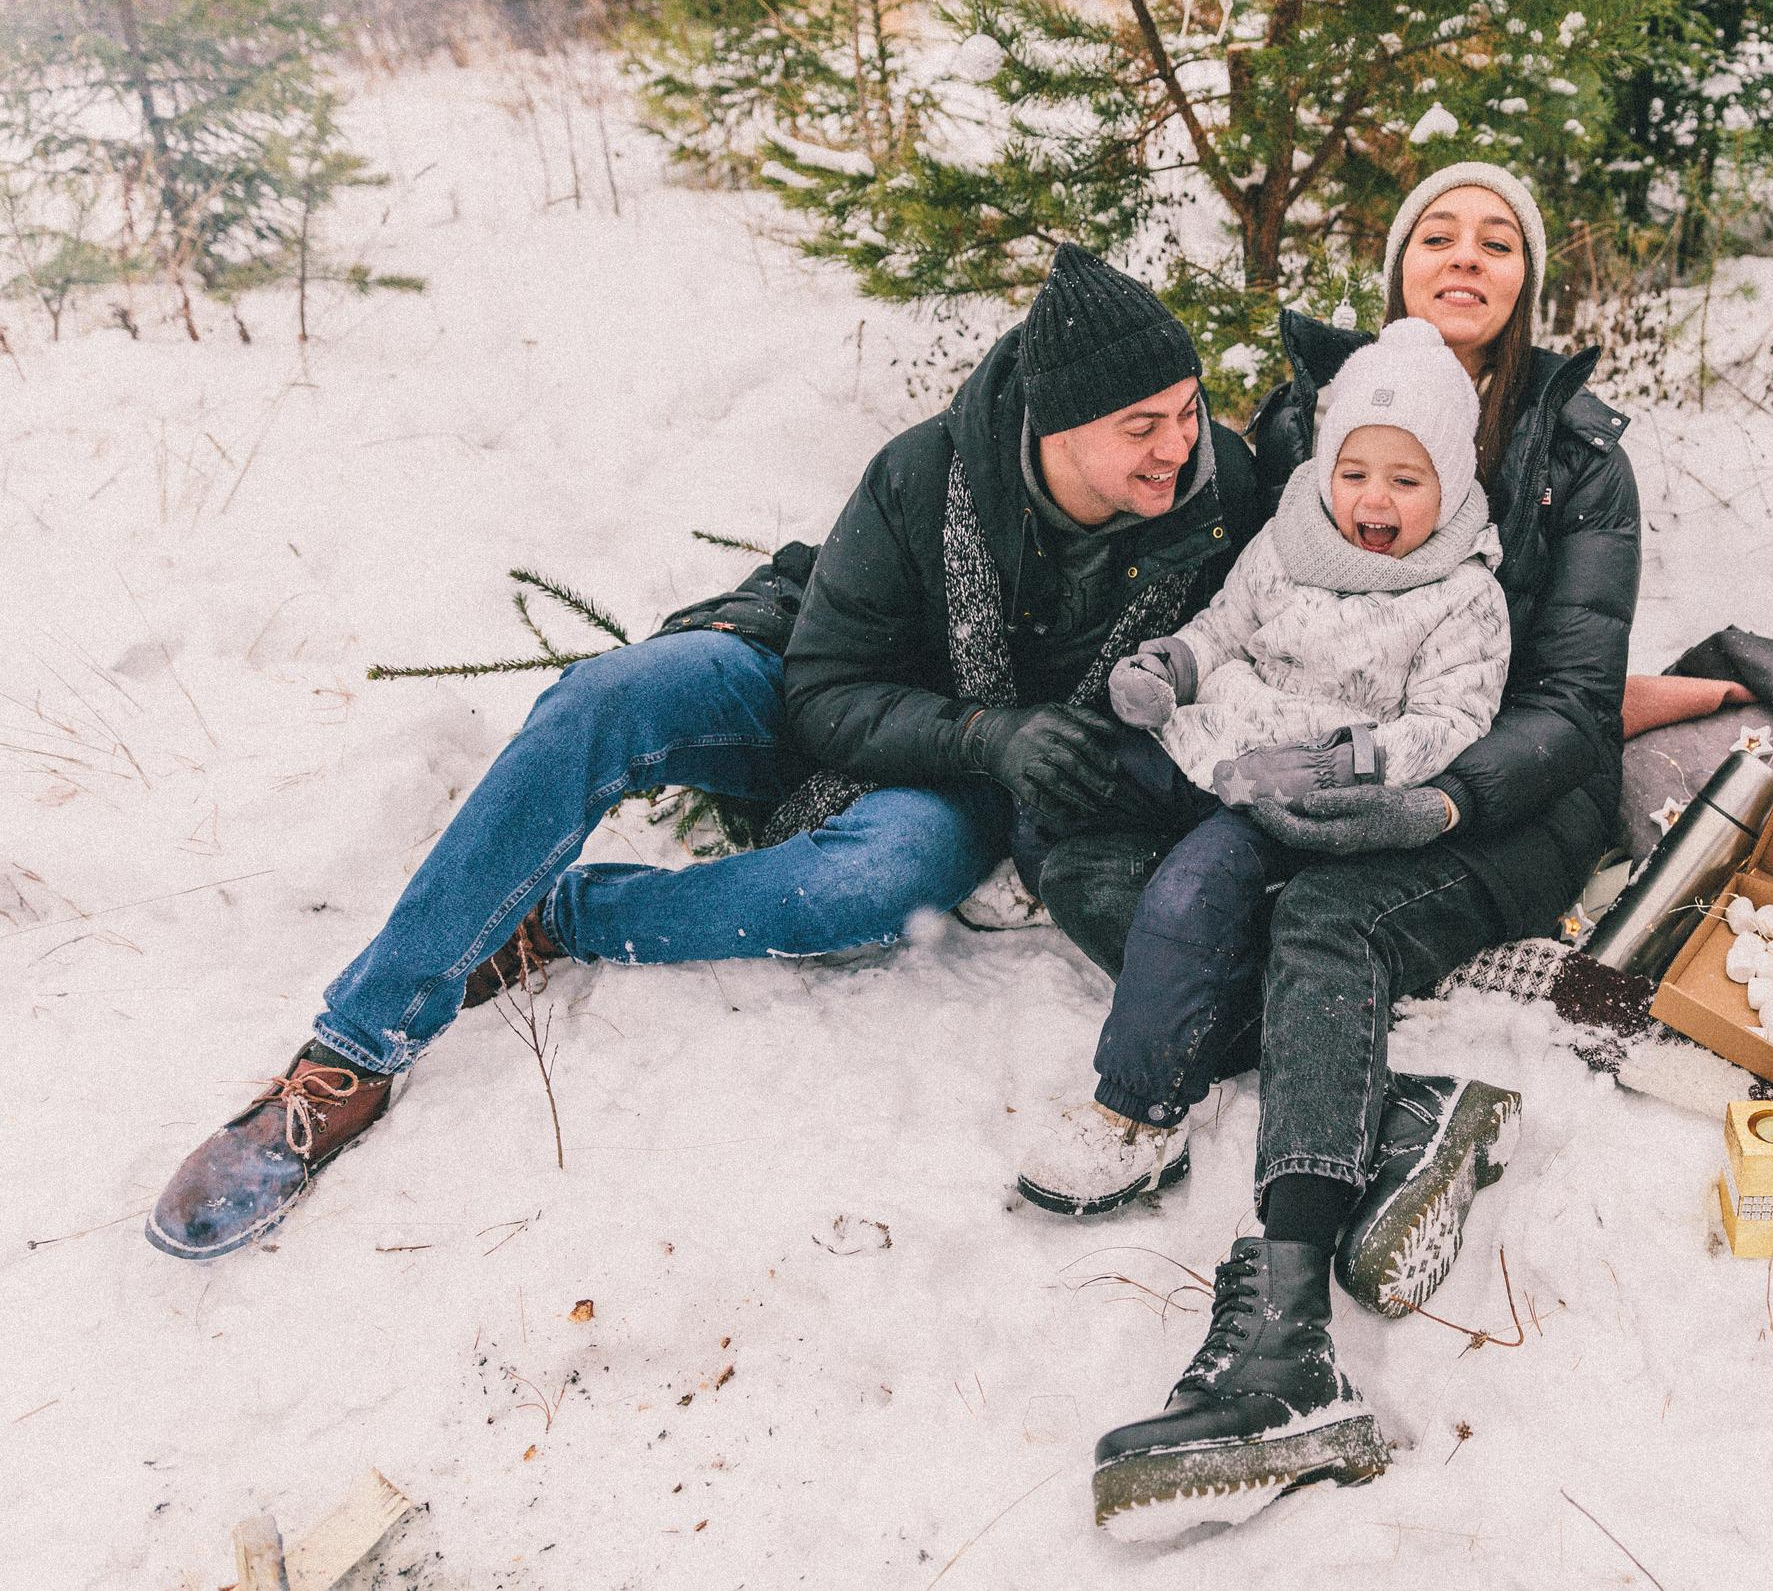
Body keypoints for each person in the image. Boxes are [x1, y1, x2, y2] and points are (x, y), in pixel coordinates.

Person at [146, 245, 1269, 1261]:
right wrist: (987, 724)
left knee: (866, 881)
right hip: (822, 674)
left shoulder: (1216, 497)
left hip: (976, 781)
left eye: (1188, 410)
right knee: (605, 697)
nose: (1178, 446)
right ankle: (350, 1053)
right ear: (1055, 425)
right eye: (1143, 426)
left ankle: (558, 918)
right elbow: (823, 693)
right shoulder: (930, 474)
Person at [1042, 164, 1641, 1538]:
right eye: (1438, 232)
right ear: (1396, 266)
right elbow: (1236, 586)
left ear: (1527, 279)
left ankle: (1286, 1348)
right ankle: (1398, 1104)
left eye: (1497, 240)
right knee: (1110, 851)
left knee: (1326, 921)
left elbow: (1573, 700)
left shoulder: (1579, 455)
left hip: (1496, 791)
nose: (1466, 256)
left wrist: (1432, 803)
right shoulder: (1305, 410)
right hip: (1297, 751)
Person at [1014, 317, 1512, 1218]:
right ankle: (1168, 959)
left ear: (1451, 482)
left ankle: (1137, 1113)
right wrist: (1172, 665)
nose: (1374, 500)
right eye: (1353, 474)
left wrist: (1356, 760)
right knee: (1065, 775)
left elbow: (1455, 717)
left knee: (1187, 895)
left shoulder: (1463, 592)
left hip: (1289, 788)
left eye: (1406, 481)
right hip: (1206, 737)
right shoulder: (1289, 540)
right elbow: (1223, 626)